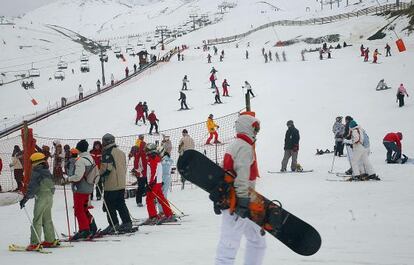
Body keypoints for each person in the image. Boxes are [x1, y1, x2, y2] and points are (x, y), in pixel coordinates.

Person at [215, 113, 266, 265]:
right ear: (247, 128)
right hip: (238, 201)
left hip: (245, 199)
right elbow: (242, 175)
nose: (256, 132)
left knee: (258, 240)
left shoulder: (235, 144)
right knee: (229, 246)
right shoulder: (244, 147)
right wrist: (243, 200)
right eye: (255, 129)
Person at [19, 152, 58, 250]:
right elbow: (52, 185)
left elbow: (32, 188)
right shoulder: (46, 171)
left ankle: (35, 243)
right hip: (49, 197)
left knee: (37, 219)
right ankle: (50, 240)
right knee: (47, 218)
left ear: (35, 162)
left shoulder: (36, 172)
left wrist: (25, 198)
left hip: (41, 197)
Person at [63, 140, 98, 240]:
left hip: (80, 188)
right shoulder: (90, 157)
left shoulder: (81, 160)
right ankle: (91, 225)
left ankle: (84, 230)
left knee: (79, 210)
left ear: (79, 149)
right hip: (88, 187)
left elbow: (78, 176)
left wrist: (68, 179)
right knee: (84, 208)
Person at [99, 133, 133, 234]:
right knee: (121, 204)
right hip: (121, 183)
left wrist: (99, 175)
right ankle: (127, 222)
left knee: (109, 205)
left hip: (111, 184)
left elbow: (107, 168)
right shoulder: (121, 152)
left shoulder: (107, 153)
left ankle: (113, 224)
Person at [143, 143, 174, 225]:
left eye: (147, 149)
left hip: (154, 183)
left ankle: (153, 217)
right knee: (161, 198)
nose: (145, 151)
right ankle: (169, 214)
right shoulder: (156, 157)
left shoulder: (152, 158)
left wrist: (151, 183)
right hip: (158, 182)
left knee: (149, 199)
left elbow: (154, 171)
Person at [129, 135, 147, 207]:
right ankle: (139, 201)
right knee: (141, 187)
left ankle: (152, 199)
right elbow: (136, 165)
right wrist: (140, 172)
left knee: (150, 186)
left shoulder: (146, 153)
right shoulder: (137, 146)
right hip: (141, 174)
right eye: (141, 137)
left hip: (147, 173)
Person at [157, 148, 174, 215]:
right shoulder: (169, 160)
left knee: (160, 196)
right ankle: (165, 210)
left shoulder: (162, 161)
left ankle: (162, 211)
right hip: (167, 178)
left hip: (162, 179)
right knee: (164, 195)